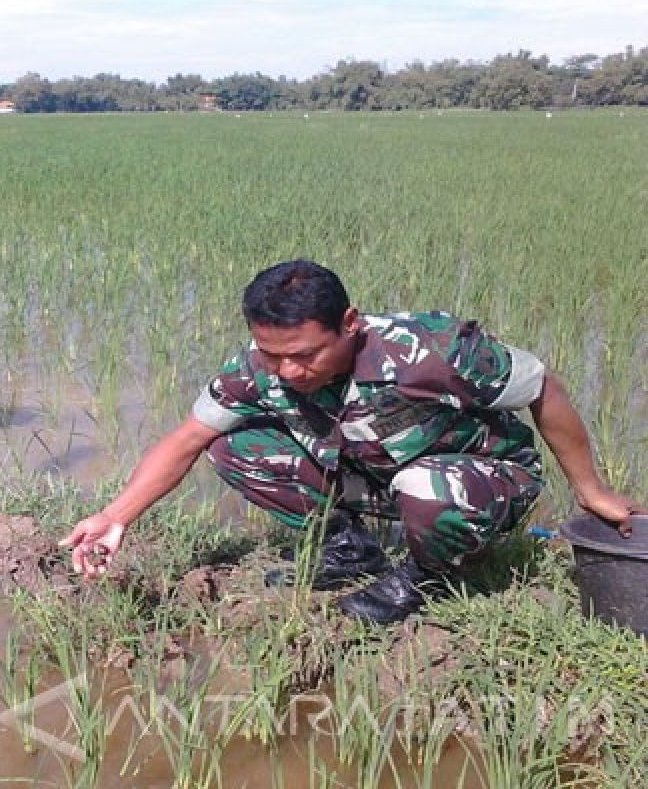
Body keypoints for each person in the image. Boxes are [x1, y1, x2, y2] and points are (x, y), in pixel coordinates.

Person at [59, 260, 642, 624]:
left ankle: (425, 575)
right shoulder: (255, 368)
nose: (287, 371)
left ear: (349, 323)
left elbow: (544, 389)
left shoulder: (433, 350)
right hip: (378, 471)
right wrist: (115, 517)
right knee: (232, 446)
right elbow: (187, 438)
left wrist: (590, 490)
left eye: (304, 355)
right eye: (272, 354)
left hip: (480, 475)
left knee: (425, 485)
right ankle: (349, 549)